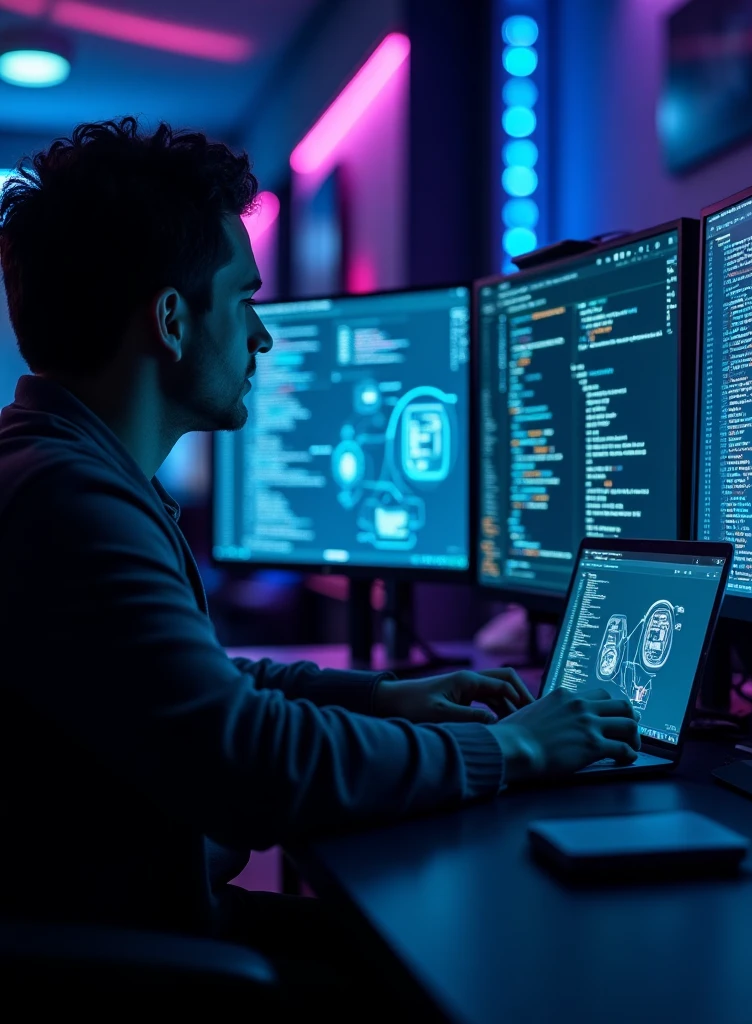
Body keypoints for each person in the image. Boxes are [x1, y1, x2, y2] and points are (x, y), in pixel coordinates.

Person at [0, 119, 640, 992]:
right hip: (123, 957)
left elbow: (206, 688)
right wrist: (517, 750)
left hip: (130, 919)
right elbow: (246, 759)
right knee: (506, 975)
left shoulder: (61, 469)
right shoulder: (66, 502)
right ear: (172, 321)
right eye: (245, 301)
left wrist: (380, 693)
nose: (262, 338)